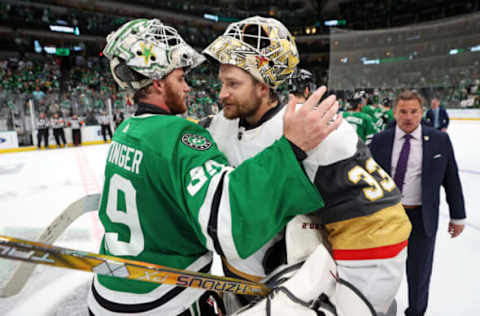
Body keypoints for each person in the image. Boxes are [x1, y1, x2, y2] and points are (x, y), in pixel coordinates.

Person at [87, 18, 341, 316]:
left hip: (106, 294)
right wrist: (290, 149)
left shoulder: (126, 131)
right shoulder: (182, 136)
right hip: (165, 299)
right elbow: (230, 220)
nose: (188, 87)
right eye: (180, 78)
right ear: (157, 82)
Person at [202, 18, 411, 316]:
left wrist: (352, 302)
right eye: (222, 82)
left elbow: (381, 221)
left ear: (264, 86)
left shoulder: (317, 128)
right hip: (239, 285)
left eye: (233, 84)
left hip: (299, 291)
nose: (222, 94)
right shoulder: (219, 125)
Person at [369, 90, 466, 316]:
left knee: (419, 273)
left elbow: (451, 179)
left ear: (422, 112)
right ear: (394, 112)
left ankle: (416, 312)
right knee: (380, 270)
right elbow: (366, 179)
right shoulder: (380, 140)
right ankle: (376, 310)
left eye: (414, 111)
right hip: (386, 218)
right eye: (403, 111)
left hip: (421, 218)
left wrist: (457, 216)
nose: (408, 116)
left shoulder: (440, 140)